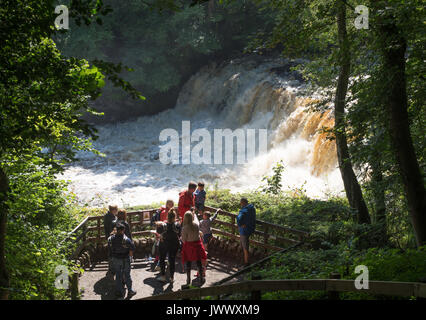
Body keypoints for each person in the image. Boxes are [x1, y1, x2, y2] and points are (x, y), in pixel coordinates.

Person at [108, 223, 137, 299]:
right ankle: (130, 291)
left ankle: (119, 292)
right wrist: (130, 258)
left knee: (118, 275)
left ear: (116, 230)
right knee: (127, 275)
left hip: (115, 259)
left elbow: (110, 249)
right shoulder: (126, 239)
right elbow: (132, 249)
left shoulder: (111, 239)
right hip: (125, 259)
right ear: (123, 230)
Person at [181, 211, 207, 286]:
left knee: (188, 263)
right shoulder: (196, 225)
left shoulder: (184, 228)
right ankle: (201, 277)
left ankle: (188, 279)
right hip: (197, 245)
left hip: (189, 246)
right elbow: (198, 235)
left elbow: (183, 239)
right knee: (198, 262)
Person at [157, 209, 181, 284]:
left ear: (167, 216)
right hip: (174, 244)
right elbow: (179, 234)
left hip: (164, 243)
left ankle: (163, 276)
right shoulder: (177, 225)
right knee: (172, 260)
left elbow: (158, 232)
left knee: (162, 259)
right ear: (175, 217)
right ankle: (171, 277)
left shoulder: (163, 225)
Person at [237, 198, 256, 266]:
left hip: (244, 231)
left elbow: (239, 219)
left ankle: (246, 263)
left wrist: (240, 224)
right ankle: (243, 261)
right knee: (244, 245)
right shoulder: (252, 208)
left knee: (245, 247)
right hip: (251, 228)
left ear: (242, 203)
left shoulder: (243, 210)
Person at [104, 204, 118, 277]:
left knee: (111, 252)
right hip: (111, 237)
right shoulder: (111, 217)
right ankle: (112, 269)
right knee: (112, 252)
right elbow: (111, 227)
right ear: (113, 210)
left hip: (109, 236)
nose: (117, 211)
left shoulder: (107, 216)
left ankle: (111, 268)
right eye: (116, 209)